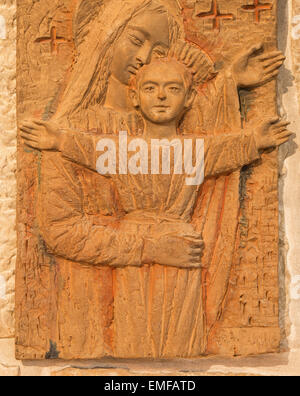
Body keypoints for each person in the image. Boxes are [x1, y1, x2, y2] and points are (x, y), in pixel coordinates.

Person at [21, 57, 291, 357]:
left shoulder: (194, 151)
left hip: (181, 248)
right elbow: (87, 147)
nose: (161, 96)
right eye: (151, 88)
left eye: (172, 88)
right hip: (135, 252)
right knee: (134, 334)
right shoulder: (123, 151)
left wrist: (255, 139)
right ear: (134, 98)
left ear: (189, 99)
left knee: (180, 339)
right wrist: (58, 139)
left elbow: (227, 150)